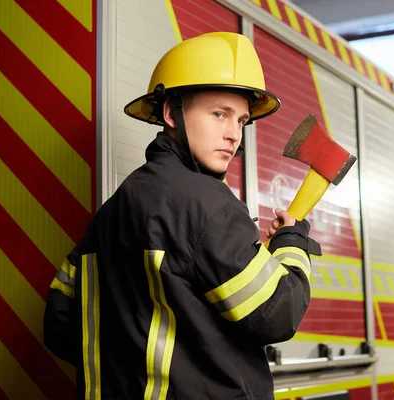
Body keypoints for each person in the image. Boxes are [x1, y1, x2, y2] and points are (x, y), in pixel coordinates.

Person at [43, 32, 320, 400]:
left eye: (241, 121)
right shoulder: (208, 205)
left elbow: (60, 323)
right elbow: (278, 314)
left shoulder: (113, 210)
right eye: (219, 114)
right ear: (172, 113)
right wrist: (291, 242)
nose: (233, 134)